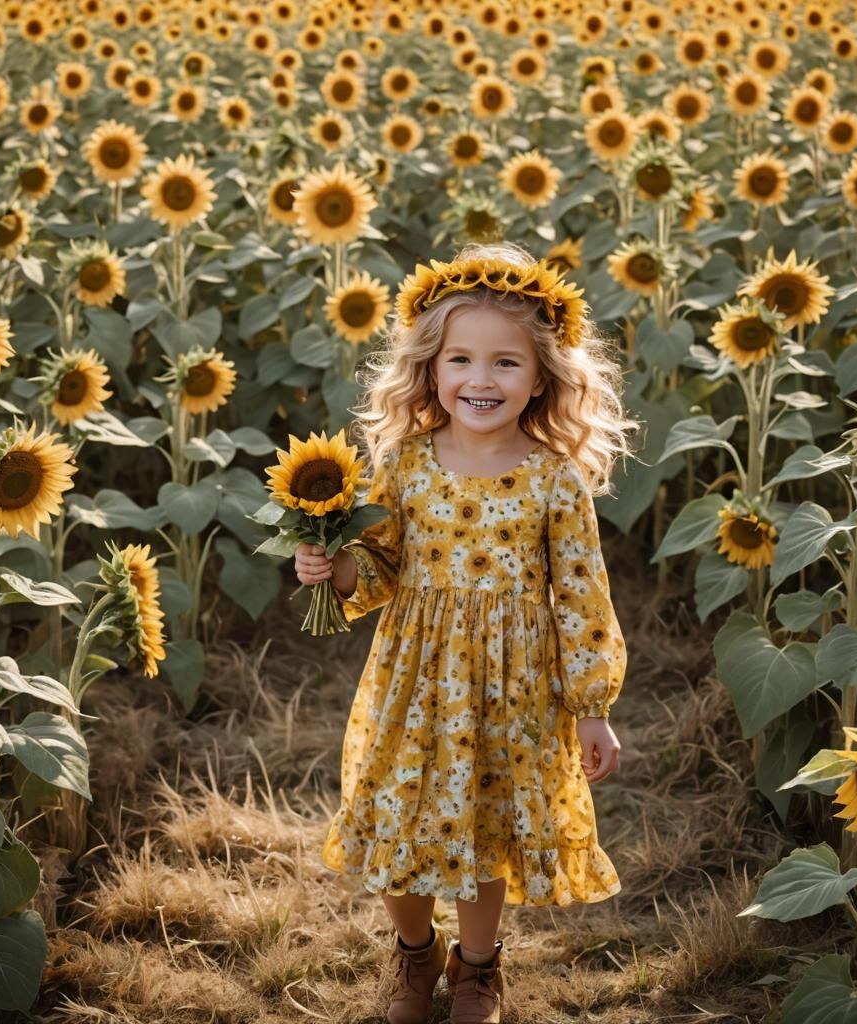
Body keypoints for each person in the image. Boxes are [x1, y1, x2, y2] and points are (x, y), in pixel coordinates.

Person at [295, 241, 639, 1024]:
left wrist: (592, 706)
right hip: (415, 679)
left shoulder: (554, 477)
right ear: (431, 367)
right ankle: (413, 955)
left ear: (543, 374)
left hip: (512, 689)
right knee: (399, 815)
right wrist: (333, 569)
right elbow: (381, 568)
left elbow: (581, 595)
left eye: (506, 364)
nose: (481, 381)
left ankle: (478, 967)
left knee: (487, 823)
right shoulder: (407, 464)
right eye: (461, 360)